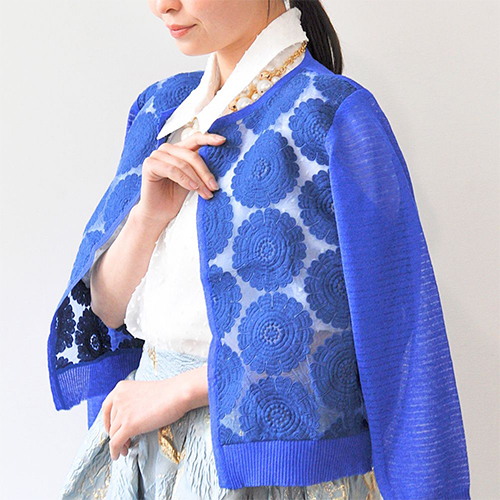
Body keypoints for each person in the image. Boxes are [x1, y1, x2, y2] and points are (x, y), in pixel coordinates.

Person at [51, 1, 471, 499]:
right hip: (140, 454)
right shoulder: (160, 111)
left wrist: (180, 391)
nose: (162, 5)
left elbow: (388, 343)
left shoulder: (333, 117)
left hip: (273, 473)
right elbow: (105, 313)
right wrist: (149, 217)